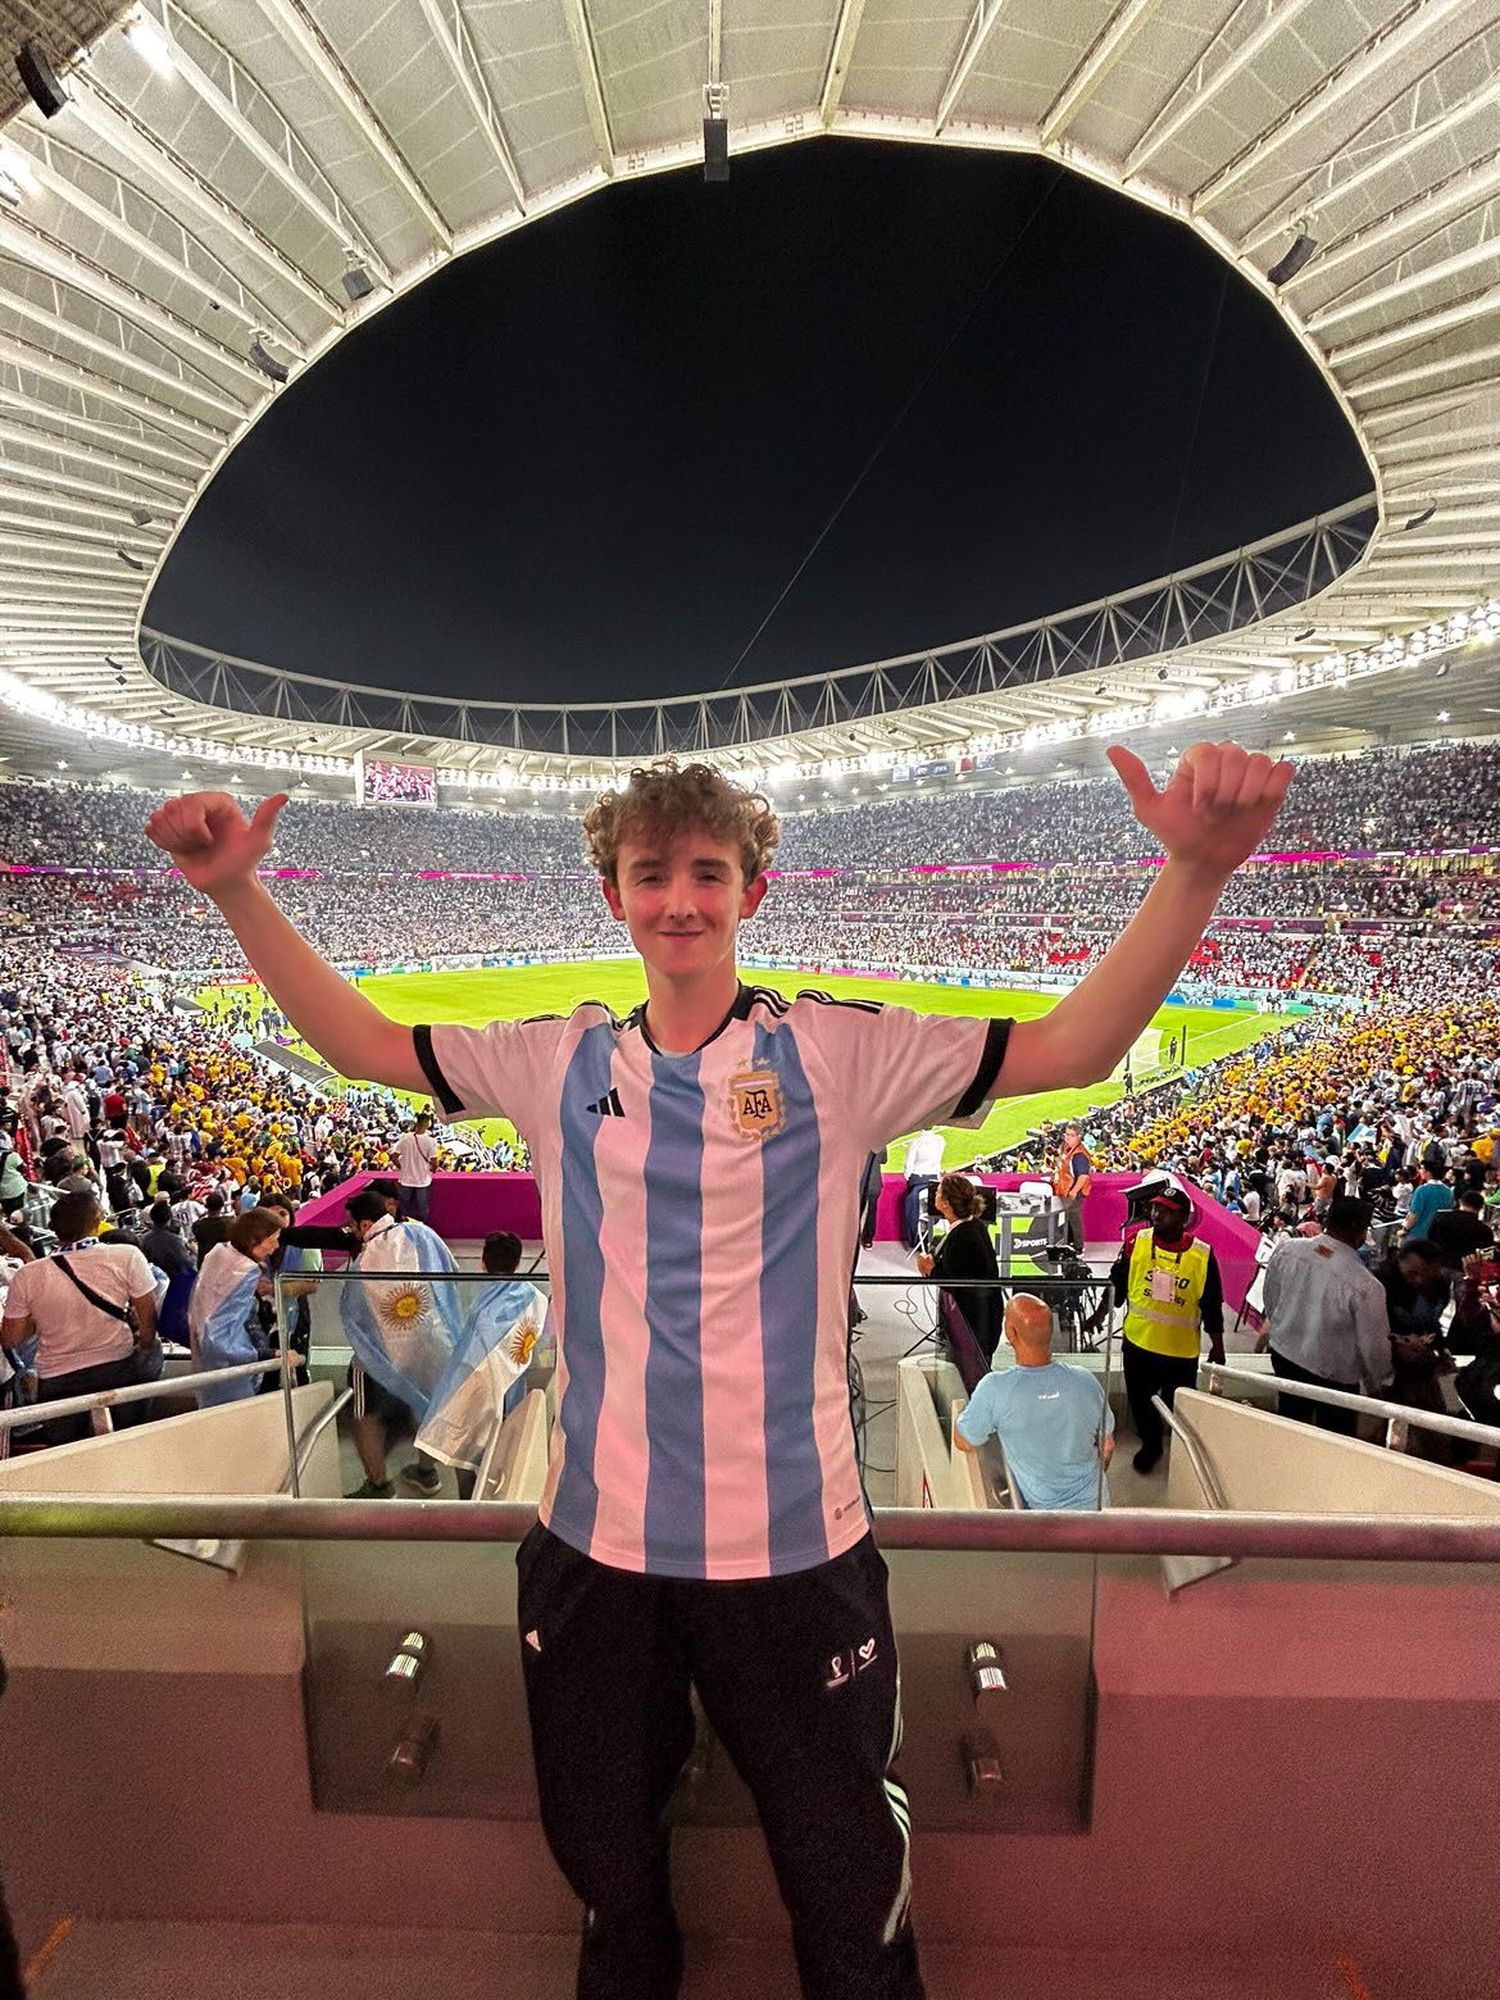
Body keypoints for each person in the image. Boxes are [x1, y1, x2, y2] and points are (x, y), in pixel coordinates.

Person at [147, 736, 1293, 2000]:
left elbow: (1072, 1046)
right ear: (615, 894)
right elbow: (364, 1042)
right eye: (652, 872)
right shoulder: (559, 1057)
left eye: (707, 869)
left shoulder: (836, 1054)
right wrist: (236, 890)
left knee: (850, 1888)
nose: (679, 898)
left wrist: (1194, 871)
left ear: (754, 889)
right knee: (611, 1883)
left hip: (796, 1556)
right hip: (594, 1553)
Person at [0, 1189, 159, 1445]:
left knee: (69, 1455)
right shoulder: (126, 1256)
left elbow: (11, 1339)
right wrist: (146, 1344)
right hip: (119, 1369)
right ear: (97, 1221)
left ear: (52, 1227)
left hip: (58, 1381)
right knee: (126, 1443)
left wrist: (43, 1315)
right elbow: (148, 1320)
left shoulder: (28, 1275)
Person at [339, 1186, 462, 1498]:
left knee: (363, 1413)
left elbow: (356, 1316)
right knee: (431, 1404)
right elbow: (452, 1272)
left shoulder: (364, 1259)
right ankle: (426, 1471)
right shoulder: (424, 1234)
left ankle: (378, 1484)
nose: (350, 1232)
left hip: (380, 1356)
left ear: (365, 1225)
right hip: (434, 1341)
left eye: (352, 1226)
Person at [953, 1292, 1113, 1508]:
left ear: (1011, 1332)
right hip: (1097, 1508)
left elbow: (963, 1440)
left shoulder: (995, 1388)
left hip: (1047, 1522)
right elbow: (1108, 1446)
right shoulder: (1085, 1380)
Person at [418, 1229, 547, 1495]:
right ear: (518, 1262)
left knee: (465, 1448)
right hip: (513, 1390)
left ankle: (469, 1508)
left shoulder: (486, 1308)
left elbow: (471, 1358)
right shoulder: (536, 1297)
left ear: (482, 1263)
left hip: (476, 1389)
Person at [1109, 1183, 1225, 1474]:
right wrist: (1103, 1311)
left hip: (1180, 1351)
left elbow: (1211, 1303)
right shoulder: (1136, 1242)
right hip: (1138, 1343)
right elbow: (1119, 1280)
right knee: (1140, 1402)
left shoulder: (1202, 1255)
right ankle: (1151, 1445)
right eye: (1156, 1208)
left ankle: (1182, 1451)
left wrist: (1218, 1346)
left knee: (1179, 1405)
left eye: (1167, 1211)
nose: (1157, 1214)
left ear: (1184, 1218)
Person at [1258, 1195, 1392, 1434]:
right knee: (1334, 1440)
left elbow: (1271, 1299)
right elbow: (1373, 1346)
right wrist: (1379, 1382)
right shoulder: (1366, 1286)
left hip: (1285, 1355)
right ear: (1360, 1230)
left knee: (1289, 1429)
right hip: (1333, 1378)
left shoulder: (1288, 1250)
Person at [189, 1207, 284, 1407]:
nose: (276, 1246)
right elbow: (221, 1337)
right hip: (228, 1368)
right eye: (272, 1239)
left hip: (205, 1362)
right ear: (254, 1240)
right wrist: (267, 1354)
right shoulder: (243, 1272)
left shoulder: (219, 1253)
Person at [916, 1172, 1001, 1360]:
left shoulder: (963, 1235)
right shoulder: (974, 1226)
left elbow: (956, 1281)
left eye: (938, 1193)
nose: (935, 1196)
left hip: (973, 1324)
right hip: (981, 1320)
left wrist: (929, 1269)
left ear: (946, 1203)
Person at [1051, 1121, 1093, 1256]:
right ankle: (1069, 1242)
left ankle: (1079, 1247)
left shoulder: (1080, 1155)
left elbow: (1083, 1176)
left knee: (1074, 1219)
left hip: (1075, 1192)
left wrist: (1073, 1192)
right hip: (1065, 1190)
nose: (1067, 1138)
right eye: (1066, 1134)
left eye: (1071, 1135)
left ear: (1079, 1137)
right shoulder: (1067, 1148)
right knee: (1068, 1218)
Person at [901, 1127, 945, 1249]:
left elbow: (909, 1164)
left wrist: (907, 1175)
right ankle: (926, 1239)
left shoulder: (916, 1142)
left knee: (915, 1210)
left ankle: (915, 1239)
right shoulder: (940, 1140)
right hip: (933, 1178)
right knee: (930, 1210)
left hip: (918, 1178)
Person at [395, 1111, 439, 1223]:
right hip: (422, 1181)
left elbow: (394, 1156)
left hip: (406, 1180)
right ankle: (422, 1229)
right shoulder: (430, 1141)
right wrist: (433, 1170)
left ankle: (402, 1229)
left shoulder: (405, 1138)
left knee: (403, 1210)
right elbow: (434, 1162)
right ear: (427, 1124)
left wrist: (402, 1167)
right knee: (422, 1210)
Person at [1403, 1160, 1453, 1241]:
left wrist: (1405, 1229)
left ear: (1429, 1172)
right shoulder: (1448, 1191)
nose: (1420, 1171)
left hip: (1418, 1235)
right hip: (1437, 1236)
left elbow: (1414, 1215)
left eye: (1422, 1169)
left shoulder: (1422, 1190)